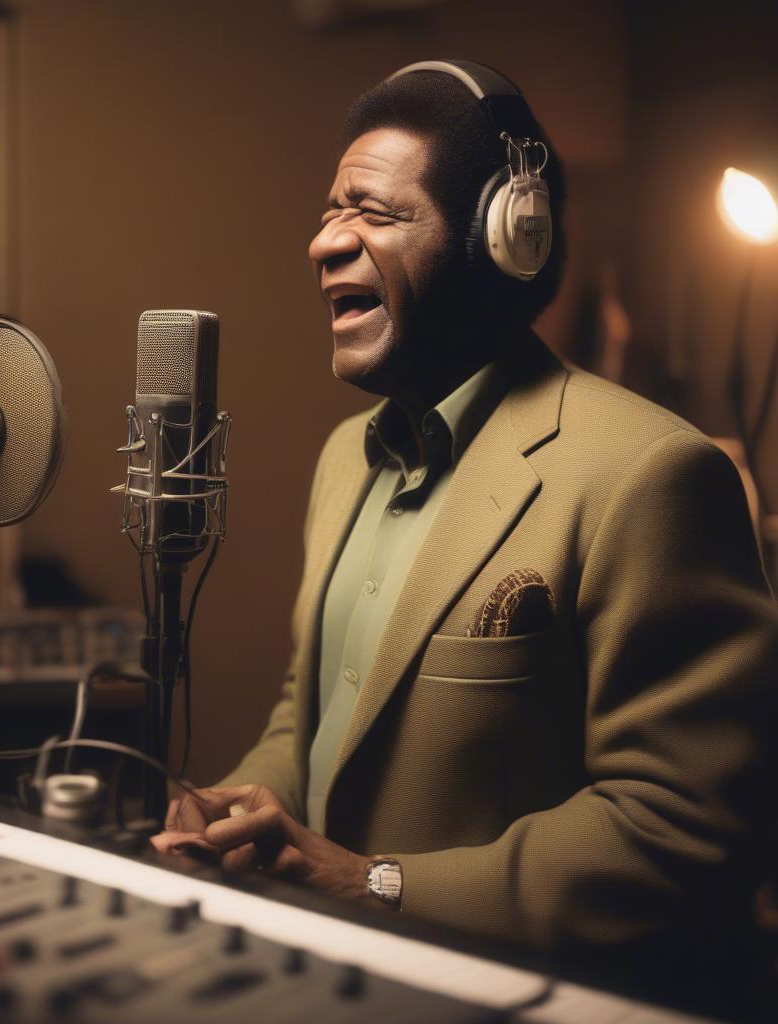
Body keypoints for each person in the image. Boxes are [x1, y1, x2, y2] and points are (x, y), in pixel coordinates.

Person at [152, 61, 778, 992]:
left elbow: (682, 823)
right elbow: (315, 711)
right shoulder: (341, 463)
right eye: (329, 212)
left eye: (372, 212)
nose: (326, 242)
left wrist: (374, 883)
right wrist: (245, 809)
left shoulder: (652, 473)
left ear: (504, 239)